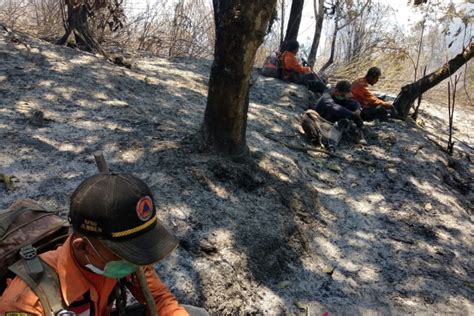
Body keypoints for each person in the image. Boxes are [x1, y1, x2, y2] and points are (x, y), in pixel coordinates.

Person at [0, 173, 206, 316]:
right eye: (124, 252)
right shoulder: (25, 302)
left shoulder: (123, 261)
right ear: (82, 246)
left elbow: (160, 298)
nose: (134, 261)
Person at [309, 80, 366, 144]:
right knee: (344, 116)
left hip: (331, 117)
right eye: (342, 95)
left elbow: (354, 102)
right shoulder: (326, 97)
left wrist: (358, 109)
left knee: (351, 105)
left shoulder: (338, 96)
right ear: (336, 91)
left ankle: (360, 130)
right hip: (321, 120)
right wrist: (352, 114)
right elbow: (334, 107)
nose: (343, 97)